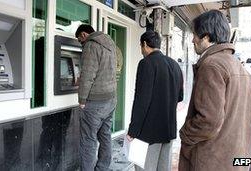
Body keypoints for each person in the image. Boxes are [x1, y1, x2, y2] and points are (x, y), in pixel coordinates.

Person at [179, 10, 251, 171]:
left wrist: (185, 134)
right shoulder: (242, 70)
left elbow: (208, 120)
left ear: (206, 37)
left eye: (195, 35)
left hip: (212, 161)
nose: (193, 40)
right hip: (237, 160)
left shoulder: (211, 65)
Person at [127, 31, 184, 171]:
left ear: (145, 44)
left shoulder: (146, 63)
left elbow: (142, 100)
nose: (141, 51)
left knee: (145, 167)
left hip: (148, 133)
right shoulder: (175, 65)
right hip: (169, 129)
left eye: (141, 47)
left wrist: (133, 130)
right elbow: (180, 97)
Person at [75, 24, 117, 171]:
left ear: (84, 35)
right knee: (105, 136)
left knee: (88, 140)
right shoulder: (109, 43)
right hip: (110, 99)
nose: (81, 43)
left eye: (80, 40)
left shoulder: (91, 45)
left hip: (95, 102)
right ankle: (102, 168)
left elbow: (87, 76)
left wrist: (82, 100)